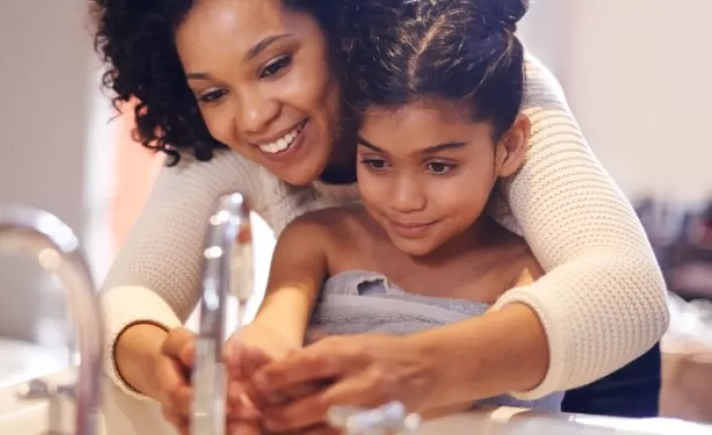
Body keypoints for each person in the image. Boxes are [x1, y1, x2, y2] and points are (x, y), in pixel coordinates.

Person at [90, 0, 667, 432]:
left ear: (341, 28)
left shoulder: (472, 80)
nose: (254, 115)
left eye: (274, 66)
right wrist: (166, 367)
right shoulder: (225, 151)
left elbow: (629, 292)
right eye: (213, 93)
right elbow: (128, 297)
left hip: (574, 358)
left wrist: (420, 369)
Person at [228, 0, 565, 430]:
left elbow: (491, 387)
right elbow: (273, 329)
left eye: (439, 166)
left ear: (510, 147)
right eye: (377, 163)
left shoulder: (525, 273)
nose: (404, 199)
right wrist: (254, 368)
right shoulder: (318, 241)